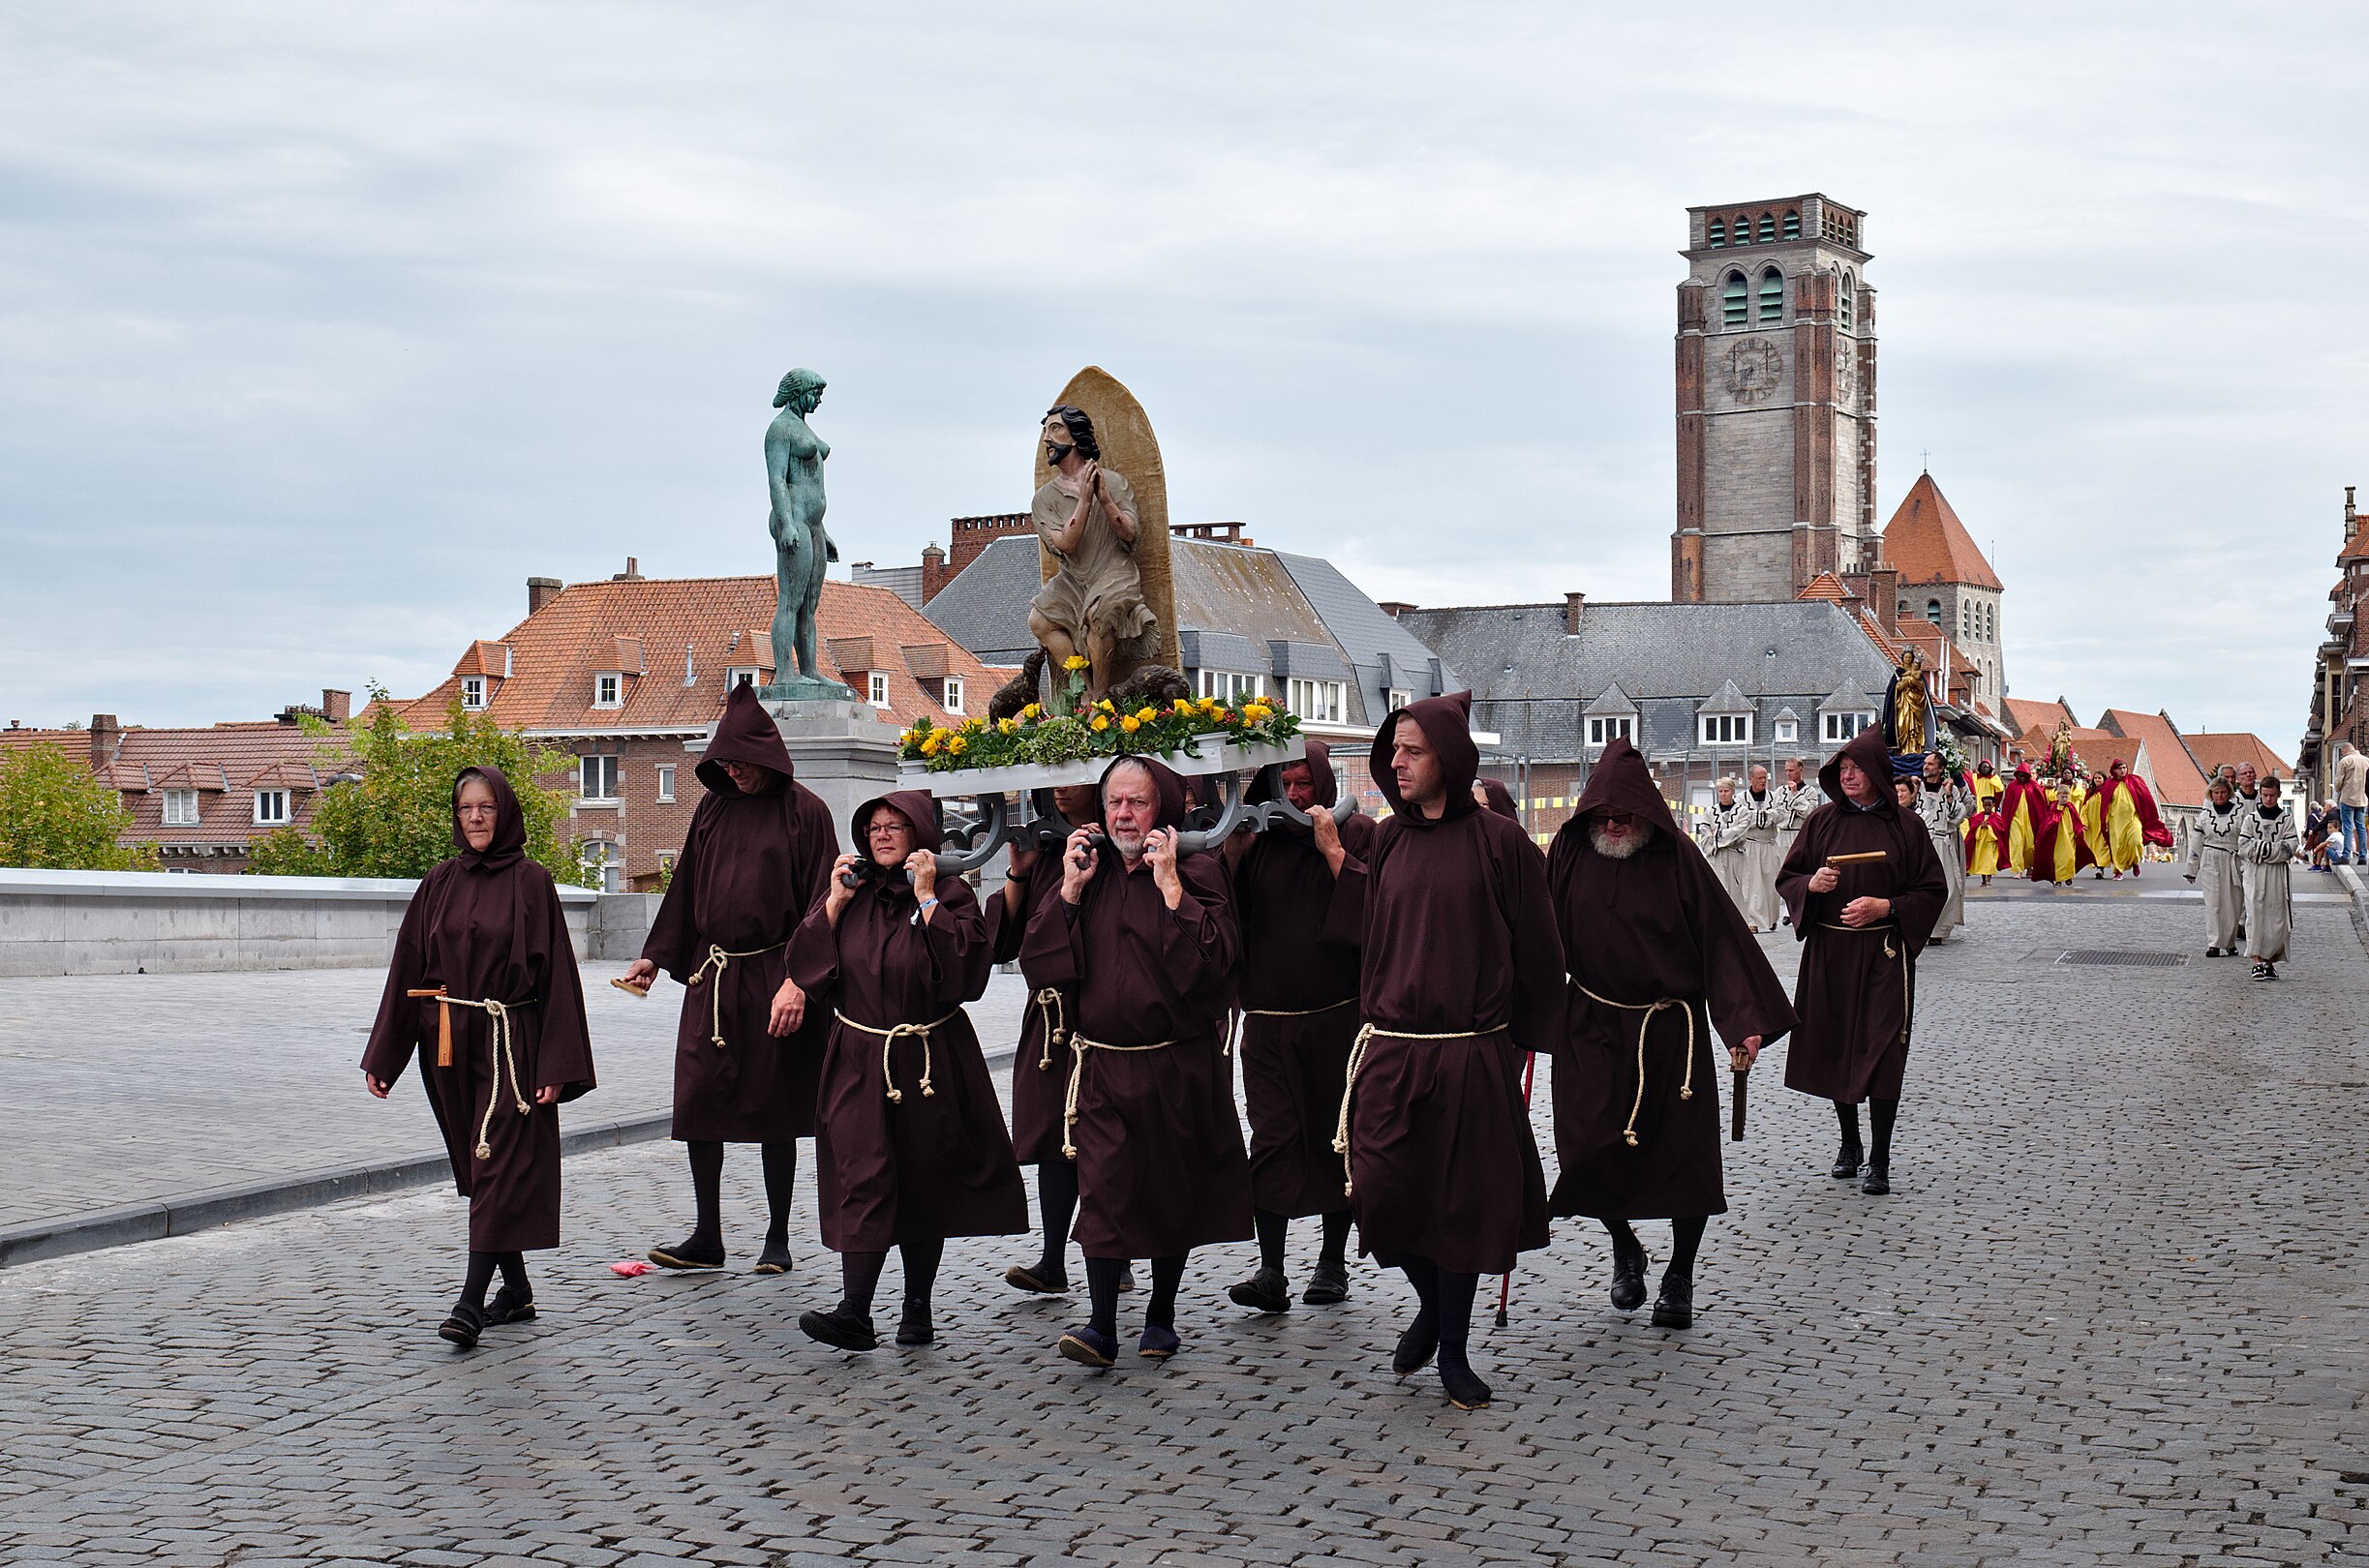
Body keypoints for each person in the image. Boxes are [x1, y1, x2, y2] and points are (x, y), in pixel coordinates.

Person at [1324, 693, 1562, 1409]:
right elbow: (1369, 939)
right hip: (1391, 1050)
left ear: (1449, 761)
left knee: (1458, 1206)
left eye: (1411, 751)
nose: (1394, 763)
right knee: (1382, 1198)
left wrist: (1521, 1043)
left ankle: (1453, 1349)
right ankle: (1430, 1307)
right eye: (1392, 750)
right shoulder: (1388, 841)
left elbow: (1539, 953)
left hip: (1469, 1051)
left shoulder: (1500, 844)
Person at [1545, 739, 1795, 1331]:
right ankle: (1625, 1246)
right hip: (1590, 1025)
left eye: (1624, 814)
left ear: (1645, 811)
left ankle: (1679, 1274)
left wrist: (1742, 1023)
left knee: (1684, 1162)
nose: (1612, 824)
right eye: (1603, 814)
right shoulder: (1569, 853)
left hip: (1668, 1034)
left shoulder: (1680, 859)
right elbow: (1535, 933)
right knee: (1586, 1150)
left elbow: (1723, 943)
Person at [1023, 756, 1251, 1367]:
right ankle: (1100, 1324)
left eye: (1137, 803)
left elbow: (1215, 962)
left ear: (1164, 809)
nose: (1124, 815)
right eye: (1114, 803)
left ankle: (1161, 1314)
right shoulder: (1087, 873)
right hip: (1100, 1065)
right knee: (1104, 1188)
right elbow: (1040, 963)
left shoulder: (1196, 869)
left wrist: (1171, 885)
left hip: (1174, 1063)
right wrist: (1068, 890)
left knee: (1167, 1190)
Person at [363, 768, 595, 1348]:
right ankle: (515, 1290)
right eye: (465, 807)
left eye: (486, 807)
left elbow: (561, 981)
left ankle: (469, 1304)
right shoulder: (438, 882)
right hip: (446, 1042)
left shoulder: (532, 881)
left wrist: (556, 1067)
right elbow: (407, 968)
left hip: (509, 1041)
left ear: (505, 811)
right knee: (478, 1168)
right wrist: (385, 1055)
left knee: (498, 1165)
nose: (475, 817)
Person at [787, 792, 1027, 1350]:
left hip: (928, 1059)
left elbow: (968, 973)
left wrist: (926, 899)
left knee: (924, 1179)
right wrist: (830, 904)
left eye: (896, 826)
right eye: (873, 826)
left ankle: (917, 1309)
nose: (883, 835)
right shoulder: (853, 894)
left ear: (921, 832)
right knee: (861, 1174)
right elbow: (804, 964)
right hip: (859, 1057)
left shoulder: (951, 892)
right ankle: (855, 1310)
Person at [625, 684, 838, 1274]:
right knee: (699, 1099)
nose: (735, 773)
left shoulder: (806, 813)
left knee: (775, 1104)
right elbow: (686, 884)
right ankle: (708, 1234)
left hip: (775, 973)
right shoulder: (713, 807)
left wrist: (799, 980)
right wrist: (655, 955)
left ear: (767, 757)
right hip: (711, 978)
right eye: (726, 764)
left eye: (743, 763)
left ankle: (777, 1237)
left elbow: (825, 904)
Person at [1221, 742, 1375, 1313]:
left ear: (1324, 784)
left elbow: (1374, 915)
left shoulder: (1356, 833)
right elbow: (1224, 917)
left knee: (1335, 1138)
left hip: (1337, 1022)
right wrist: (1232, 855)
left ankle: (1333, 1263)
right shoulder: (1256, 842)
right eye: (1284, 782)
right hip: (1266, 1025)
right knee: (1273, 1141)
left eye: (1303, 782)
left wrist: (1330, 848)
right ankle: (1271, 1269)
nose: (1294, 793)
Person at [1777, 727, 1948, 1197]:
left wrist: (1887, 907)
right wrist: (1809, 886)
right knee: (1836, 1044)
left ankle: (1881, 1156)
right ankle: (1849, 1143)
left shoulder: (1906, 827)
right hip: (1830, 952)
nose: (1849, 776)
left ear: (1876, 773)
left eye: (1856, 769)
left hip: (1883, 956)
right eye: (1842, 769)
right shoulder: (1821, 821)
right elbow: (1789, 876)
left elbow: (1932, 890)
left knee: (1883, 1050)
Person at [989, 784, 1109, 1298]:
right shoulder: (1044, 847)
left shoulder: (1114, 848)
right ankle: (1053, 1257)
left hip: (1100, 1012)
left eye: (1073, 776)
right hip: (1050, 1020)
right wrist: (1019, 869)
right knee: (1054, 1137)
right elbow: (1007, 943)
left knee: (1102, 1138)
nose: (1061, 788)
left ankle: (1112, 1251)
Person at [1028, 407, 1156, 703]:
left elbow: (1131, 534)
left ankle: (1101, 699)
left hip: (1114, 571)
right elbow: (1068, 544)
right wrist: (1085, 500)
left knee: (1099, 612)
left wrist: (1105, 500)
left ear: (1075, 438)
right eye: (1045, 431)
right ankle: (1085, 690)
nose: (1047, 438)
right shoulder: (1044, 499)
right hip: (1074, 579)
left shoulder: (1112, 482)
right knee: (1039, 620)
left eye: (1055, 429)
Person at [2243, 777, 2300, 980]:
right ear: (2260, 794)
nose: (2268, 799)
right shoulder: (2250, 819)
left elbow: (2291, 847)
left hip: (2277, 874)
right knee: (2255, 915)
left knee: (2277, 917)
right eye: (2265, 795)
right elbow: (2243, 846)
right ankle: (2257, 961)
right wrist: (2272, 850)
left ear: (2278, 795)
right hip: (2255, 873)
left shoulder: (2286, 820)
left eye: (2272, 795)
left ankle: (2269, 963)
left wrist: (2262, 849)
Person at [2185, 778, 2246, 955]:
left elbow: (2246, 839)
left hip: (2234, 860)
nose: (2219, 796)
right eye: (2216, 792)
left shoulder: (2240, 813)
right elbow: (2196, 843)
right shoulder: (2205, 815)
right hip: (2210, 859)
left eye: (2223, 792)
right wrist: (2191, 869)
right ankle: (2214, 943)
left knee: (2233, 903)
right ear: (2211, 794)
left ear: (2229, 793)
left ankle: (2230, 942)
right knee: (2214, 903)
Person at [1913, 753, 1969, 940]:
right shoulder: (1915, 786)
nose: (1926, 767)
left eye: (1931, 764)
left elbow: (1958, 815)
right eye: (1925, 763)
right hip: (1919, 842)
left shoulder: (1949, 789)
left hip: (1942, 841)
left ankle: (1938, 930)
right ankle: (1921, 926)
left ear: (1941, 768)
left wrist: (1948, 795)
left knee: (1948, 886)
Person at [2093, 759, 2171, 880]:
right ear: (2114, 770)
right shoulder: (2109, 784)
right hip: (2116, 821)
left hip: (2133, 819)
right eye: (2120, 769)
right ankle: (2118, 871)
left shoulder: (2135, 780)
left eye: (2124, 767)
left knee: (2136, 841)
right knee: (2117, 846)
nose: (2123, 770)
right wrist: (2105, 821)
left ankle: (2135, 862)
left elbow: (2145, 797)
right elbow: (2105, 805)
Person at [1704, 777, 1765, 931]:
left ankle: (1740, 924)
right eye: (1721, 791)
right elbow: (1704, 832)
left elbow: (1740, 831)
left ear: (1732, 791)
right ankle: (1719, 924)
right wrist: (1718, 840)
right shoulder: (1710, 811)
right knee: (1718, 889)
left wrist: (1717, 835)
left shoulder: (1743, 812)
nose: (1723, 794)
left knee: (1738, 890)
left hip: (1735, 855)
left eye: (1726, 791)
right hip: (1716, 855)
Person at [2031, 781, 2091, 887]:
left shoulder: (2070, 807)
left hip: (2069, 835)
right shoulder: (2053, 807)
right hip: (2058, 837)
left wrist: (2079, 829)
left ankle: (2068, 876)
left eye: (2066, 797)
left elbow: (2076, 820)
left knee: (2070, 857)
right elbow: (2048, 821)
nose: (2065, 799)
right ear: (2057, 796)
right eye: (2062, 797)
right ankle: (2058, 879)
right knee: (2058, 858)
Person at [1998, 763, 2048, 874]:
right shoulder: (2012, 787)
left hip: (2030, 820)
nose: (2022, 777)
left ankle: (2030, 866)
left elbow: (2040, 804)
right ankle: (2018, 869)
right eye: (2020, 775)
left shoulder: (2034, 786)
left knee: (2029, 845)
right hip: (2015, 820)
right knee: (2016, 843)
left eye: (2024, 775)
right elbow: (2007, 804)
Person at [2335, 741, 2369, 865]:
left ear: (2344, 751)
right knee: (2361, 828)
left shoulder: (2345, 761)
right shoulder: (2366, 761)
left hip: (2348, 797)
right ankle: (2363, 856)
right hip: (2362, 799)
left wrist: (2337, 789)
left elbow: (2339, 781)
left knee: (2348, 827)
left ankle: (2346, 855)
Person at [1964, 797, 2005, 886]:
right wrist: (1980, 827)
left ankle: (1989, 880)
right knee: (1982, 862)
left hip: (1991, 844)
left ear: (1993, 805)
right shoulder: (1978, 817)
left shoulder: (1997, 818)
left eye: (1989, 805)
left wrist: (1989, 827)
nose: (1987, 807)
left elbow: (2000, 830)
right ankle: (1983, 879)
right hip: (1981, 843)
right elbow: (1973, 830)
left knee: (1989, 862)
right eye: (1985, 805)